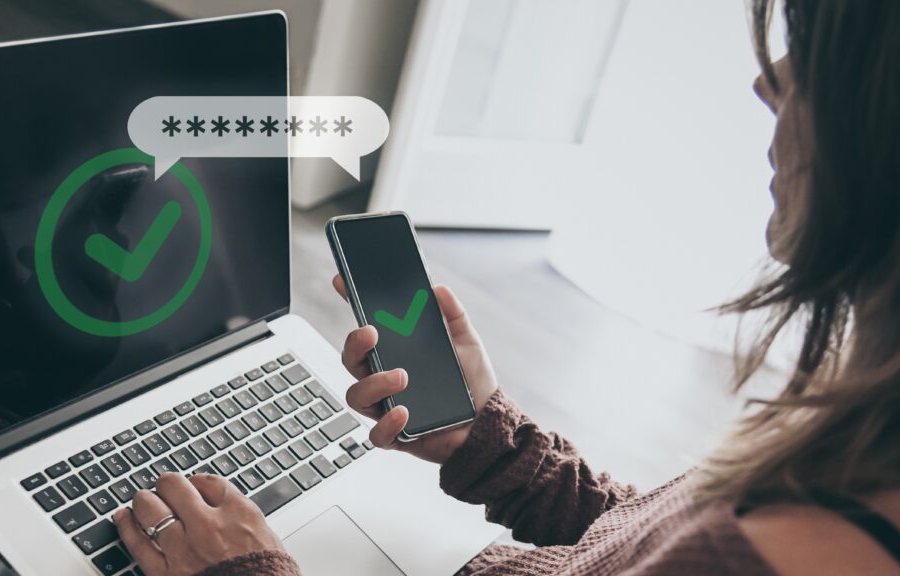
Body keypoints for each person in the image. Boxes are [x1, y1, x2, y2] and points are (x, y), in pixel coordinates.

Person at [113, 1, 900, 574]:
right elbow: (642, 550)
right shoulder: (865, 436)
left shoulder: (819, 548)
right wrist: (496, 445)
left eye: (824, 47)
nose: (773, 80)